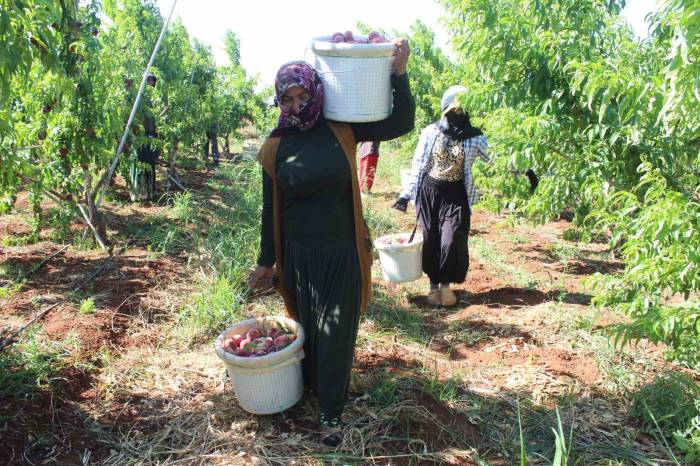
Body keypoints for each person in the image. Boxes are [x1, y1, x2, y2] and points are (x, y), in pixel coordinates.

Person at [248, 39, 414, 447]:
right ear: (278, 100)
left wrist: (399, 73)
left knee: (337, 329)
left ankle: (331, 410)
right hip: (300, 257)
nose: (297, 104)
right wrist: (266, 262)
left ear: (317, 91)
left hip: (342, 250)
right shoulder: (276, 146)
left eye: (304, 95)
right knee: (307, 327)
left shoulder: (341, 128)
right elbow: (272, 210)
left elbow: (401, 123)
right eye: (288, 98)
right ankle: (304, 389)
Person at [393, 85, 490, 307]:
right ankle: (433, 286)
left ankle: (446, 286)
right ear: (445, 110)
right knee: (429, 238)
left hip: (456, 194)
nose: (457, 114)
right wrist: (406, 195)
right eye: (453, 110)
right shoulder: (431, 132)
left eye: (461, 110)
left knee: (451, 238)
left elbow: (496, 160)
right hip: (429, 192)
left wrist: (525, 171)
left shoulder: (475, 137)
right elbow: (418, 165)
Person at [135, 72, 160, 201]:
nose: (151, 84)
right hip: (142, 135)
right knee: (142, 163)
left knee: (150, 164)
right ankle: (142, 192)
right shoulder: (141, 97)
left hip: (150, 135)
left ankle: (151, 191)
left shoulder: (151, 100)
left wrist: (154, 133)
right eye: (149, 81)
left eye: (153, 82)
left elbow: (152, 119)